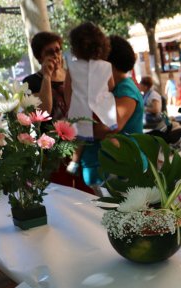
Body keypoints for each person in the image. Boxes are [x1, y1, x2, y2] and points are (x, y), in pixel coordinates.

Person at [23, 32, 93, 194]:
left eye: (58, 50)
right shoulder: (31, 82)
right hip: (54, 153)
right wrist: (47, 77)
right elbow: (43, 112)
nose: (56, 55)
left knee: (88, 196)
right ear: (39, 57)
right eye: (50, 52)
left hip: (81, 146)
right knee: (64, 196)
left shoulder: (72, 75)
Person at [79, 35, 144, 189]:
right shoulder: (115, 88)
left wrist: (77, 130)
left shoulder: (125, 89)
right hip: (107, 171)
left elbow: (110, 127)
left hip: (119, 171)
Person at [64, 22, 117, 176]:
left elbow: (67, 89)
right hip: (100, 111)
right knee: (108, 135)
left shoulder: (72, 67)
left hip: (80, 110)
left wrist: (71, 106)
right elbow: (111, 85)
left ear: (75, 46)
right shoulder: (106, 66)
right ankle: (116, 155)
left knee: (79, 140)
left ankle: (74, 162)